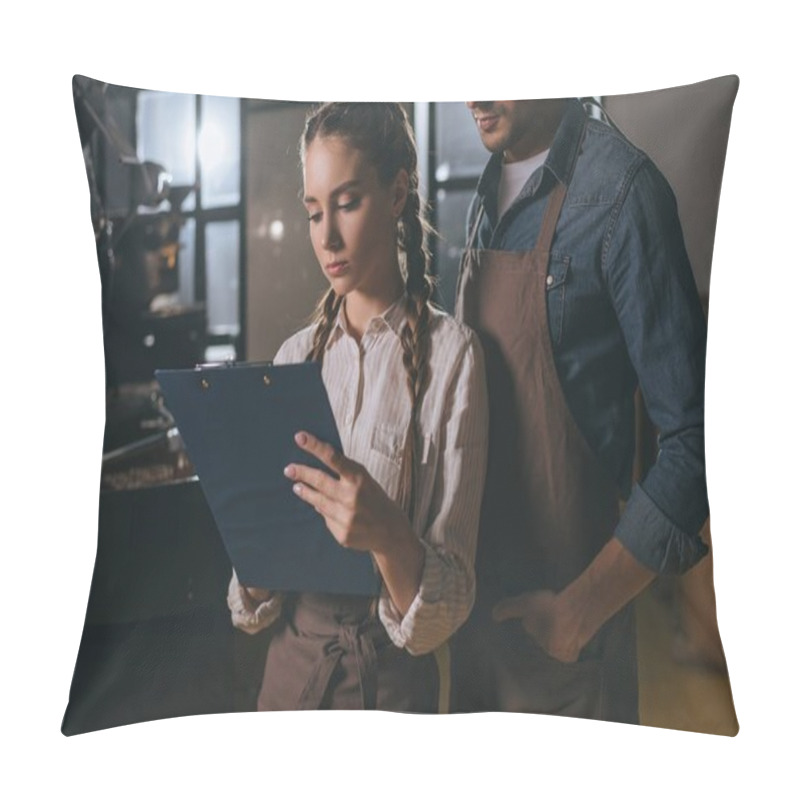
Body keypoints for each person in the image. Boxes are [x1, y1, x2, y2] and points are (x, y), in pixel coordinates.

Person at [451, 98, 710, 723]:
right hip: (475, 633)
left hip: (569, 649)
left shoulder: (624, 193)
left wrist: (579, 613)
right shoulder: (485, 197)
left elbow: (698, 446)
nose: (474, 97)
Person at [226, 103, 488, 712]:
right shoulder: (293, 358)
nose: (327, 237)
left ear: (398, 193)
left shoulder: (455, 359)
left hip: (390, 689)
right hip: (288, 682)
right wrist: (255, 560)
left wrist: (389, 536)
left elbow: (450, 602)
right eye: (315, 212)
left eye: (346, 203)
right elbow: (249, 601)